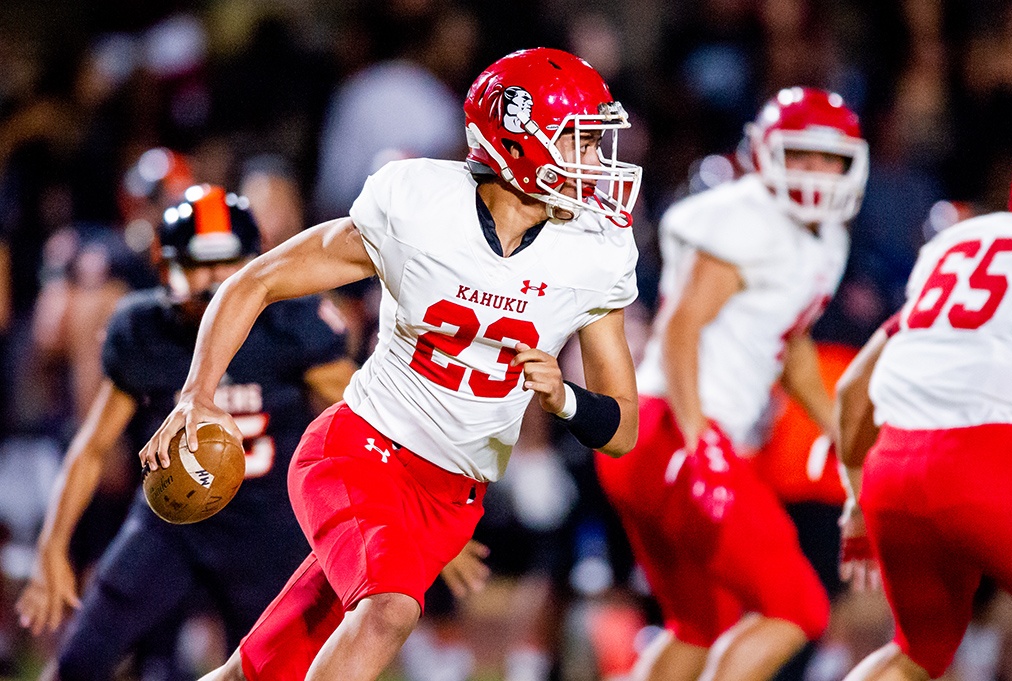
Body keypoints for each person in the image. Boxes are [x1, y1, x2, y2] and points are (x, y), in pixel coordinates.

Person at [141, 47, 643, 681]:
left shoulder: (591, 253)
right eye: (580, 141)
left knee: (258, 670)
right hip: (361, 451)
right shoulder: (421, 208)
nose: (597, 163)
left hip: (451, 500)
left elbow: (623, 429)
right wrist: (197, 394)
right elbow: (256, 280)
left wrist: (566, 398)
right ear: (518, 141)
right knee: (389, 612)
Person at [15, 184, 355, 680]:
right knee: (77, 663)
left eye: (230, 263)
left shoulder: (293, 326)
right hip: (168, 521)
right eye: (198, 264)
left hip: (266, 528)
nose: (216, 281)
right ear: (166, 267)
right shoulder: (144, 329)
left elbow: (366, 421)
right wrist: (52, 549)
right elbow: (91, 450)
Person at [595, 86, 870, 681]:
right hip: (675, 428)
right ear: (768, 152)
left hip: (662, 437)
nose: (817, 172)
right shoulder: (746, 215)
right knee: (799, 607)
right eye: (802, 155)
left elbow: (788, 342)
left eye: (830, 159)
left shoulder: (826, 238)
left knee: (700, 627)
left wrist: (839, 433)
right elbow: (680, 327)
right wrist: (702, 442)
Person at [834, 155, 1012, 681]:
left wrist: (855, 507)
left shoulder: (957, 245)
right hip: (988, 461)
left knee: (918, 652)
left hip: (892, 470)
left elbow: (853, 388)